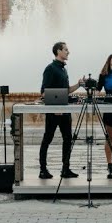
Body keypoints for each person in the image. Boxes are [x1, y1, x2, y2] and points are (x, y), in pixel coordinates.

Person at [38, 41, 83, 180]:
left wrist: (79, 84)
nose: (68, 52)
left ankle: (65, 169)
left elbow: (66, 91)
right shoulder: (50, 68)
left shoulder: (63, 69)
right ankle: (43, 170)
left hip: (64, 110)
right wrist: (55, 107)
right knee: (48, 139)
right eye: (66, 50)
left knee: (68, 139)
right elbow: (43, 92)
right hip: (54, 111)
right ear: (58, 51)